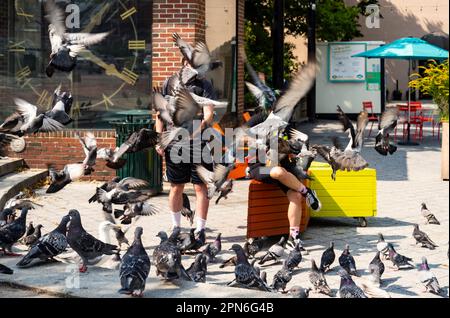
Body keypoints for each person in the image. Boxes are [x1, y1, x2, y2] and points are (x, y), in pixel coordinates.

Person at [154, 66, 216, 244]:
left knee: (200, 187)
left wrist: (199, 128)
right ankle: (176, 227)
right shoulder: (169, 83)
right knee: (176, 187)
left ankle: (200, 229)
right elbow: (160, 115)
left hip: (199, 142)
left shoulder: (204, 84)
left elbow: (209, 113)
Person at [245, 123, 321, 251]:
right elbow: (244, 136)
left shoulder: (282, 128)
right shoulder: (260, 121)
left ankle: (293, 237)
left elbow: (288, 156)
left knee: (295, 195)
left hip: (283, 168)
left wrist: (289, 151)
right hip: (259, 168)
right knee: (277, 171)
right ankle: (307, 192)